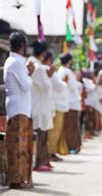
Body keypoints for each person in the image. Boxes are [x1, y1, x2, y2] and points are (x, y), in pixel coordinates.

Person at [4, 32, 34, 189]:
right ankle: (16, 180)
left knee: (23, 146)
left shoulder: (16, 62)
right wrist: (30, 73)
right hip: (18, 109)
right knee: (17, 147)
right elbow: (26, 85)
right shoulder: (15, 62)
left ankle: (21, 178)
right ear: (23, 45)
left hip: (21, 108)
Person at [28, 41, 54, 172]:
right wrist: (49, 77)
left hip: (37, 103)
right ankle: (39, 162)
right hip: (39, 105)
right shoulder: (38, 67)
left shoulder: (34, 64)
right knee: (41, 135)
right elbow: (46, 86)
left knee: (42, 135)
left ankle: (43, 160)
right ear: (43, 54)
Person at [45, 50, 67, 162]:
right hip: (55, 104)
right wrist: (64, 83)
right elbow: (59, 86)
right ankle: (51, 152)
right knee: (54, 130)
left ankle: (52, 152)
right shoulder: (49, 71)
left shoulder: (52, 71)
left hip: (55, 104)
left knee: (54, 130)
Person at [58, 53, 82, 154]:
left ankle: (68, 146)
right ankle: (71, 146)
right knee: (71, 126)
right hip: (71, 102)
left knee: (67, 126)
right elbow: (73, 86)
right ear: (69, 61)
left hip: (65, 101)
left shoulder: (59, 71)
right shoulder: (67, 72)